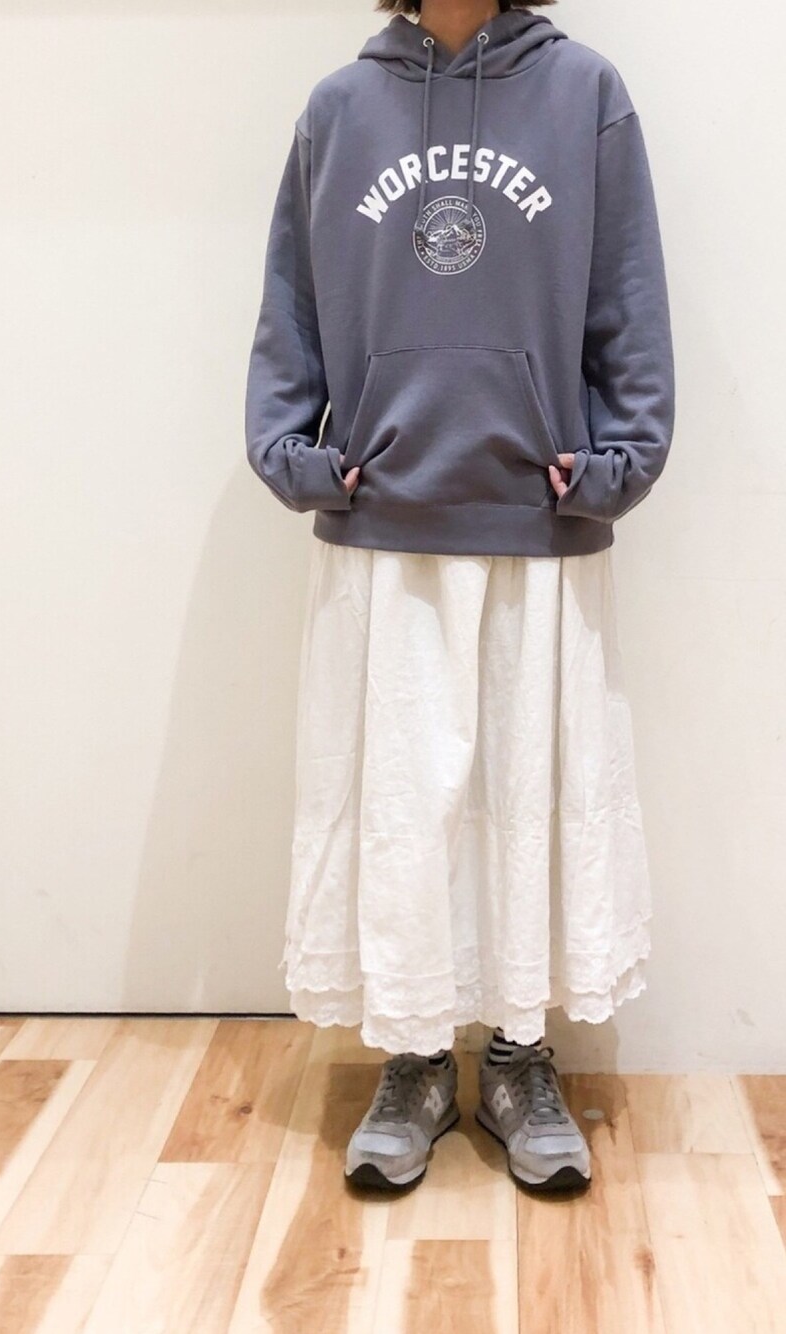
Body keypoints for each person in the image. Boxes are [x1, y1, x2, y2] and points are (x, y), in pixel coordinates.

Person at [244, 0, 675, 1194]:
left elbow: (627, 297)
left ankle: (521, 1056)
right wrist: (294, 454)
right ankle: (418, 1054)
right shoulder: (340, 108)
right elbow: (291, 308)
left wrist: (619, 463)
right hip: (382, 523)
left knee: (529, 799)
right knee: (402, 807)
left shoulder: (584, 94)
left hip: (538, 519)